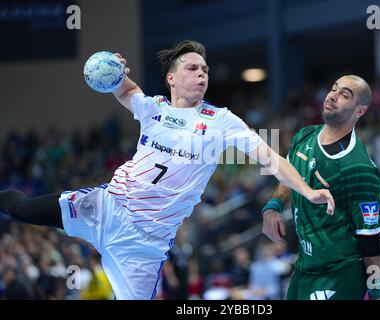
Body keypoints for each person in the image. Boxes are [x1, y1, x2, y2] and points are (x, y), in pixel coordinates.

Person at [0, 40, 334, 300]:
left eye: (205, 69)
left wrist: (306, 190)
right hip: (104, 208)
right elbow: (127, 91)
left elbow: (271, 158)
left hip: (143, 246)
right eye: (192, 68)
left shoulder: (222, 121)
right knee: (20, 209)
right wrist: (118, 73)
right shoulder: (154, 108)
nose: (202, 74)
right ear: (171, 78)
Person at [262, 75, 380, 300]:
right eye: (334, 89)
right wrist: (273, 206)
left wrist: (376, 293)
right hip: (303, 269)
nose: (333, 96)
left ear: (360, 111)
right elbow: (290, 178)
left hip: (340, 275)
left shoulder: (359, 168)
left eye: (345, 95)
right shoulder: (304, 135)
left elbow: (373, 244)